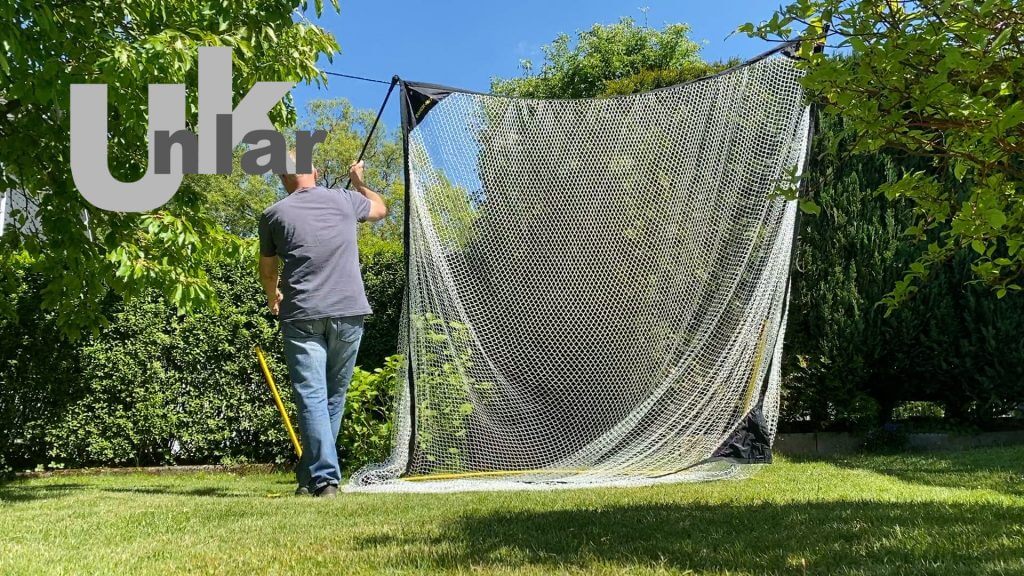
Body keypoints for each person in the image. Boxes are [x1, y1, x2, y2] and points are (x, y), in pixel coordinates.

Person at [257, 159, 387, 497]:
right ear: (314, 172)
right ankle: (316, 477)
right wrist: (359, 181)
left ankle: (322, 478)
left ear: (285, 178)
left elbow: (268, 271)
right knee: (332, 395)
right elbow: (381, 209)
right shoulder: (345, 200)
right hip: (348, 311)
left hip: (301, 314)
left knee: (312, 396)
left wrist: (273, 296)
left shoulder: (272, 215)